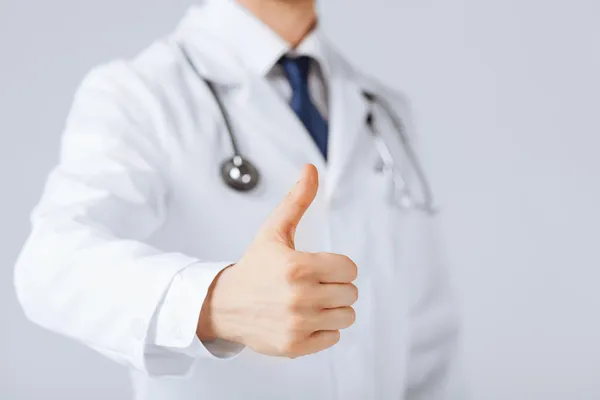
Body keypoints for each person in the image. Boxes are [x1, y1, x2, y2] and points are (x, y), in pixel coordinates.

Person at [14, 0, 467, 398]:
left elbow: (426, 335)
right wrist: (215, 302)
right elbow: (52, 265)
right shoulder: (140, 93)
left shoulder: (380, 109)